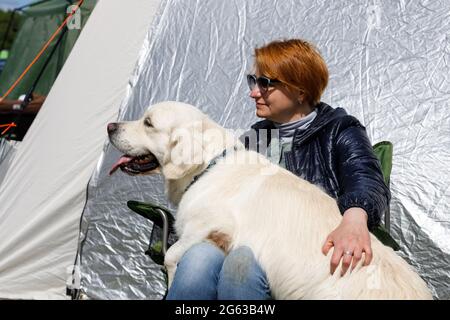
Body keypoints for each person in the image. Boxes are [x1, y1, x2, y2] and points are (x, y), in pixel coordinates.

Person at [166, 38, 390, 300]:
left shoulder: (340, 130)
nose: (253, 92)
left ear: (300, 91)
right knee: (196, 260)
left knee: (242, 267)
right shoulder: (251, 141)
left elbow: (366, 179)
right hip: (242, 235)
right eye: (253, 81)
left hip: (303, 249)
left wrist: (354, 218)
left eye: (265, 83)